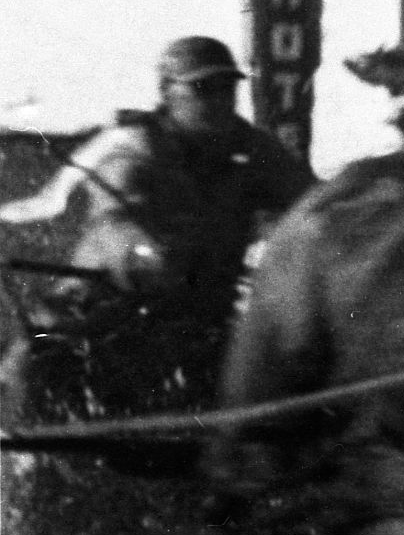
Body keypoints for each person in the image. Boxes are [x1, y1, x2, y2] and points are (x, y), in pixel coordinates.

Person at [0, 37, 315, 416]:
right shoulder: (137, 147)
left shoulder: (250, 147)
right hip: (109, 310)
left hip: (203, 319)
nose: (218, 100)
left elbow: (316, 203)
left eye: (227, 87)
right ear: (167, 93)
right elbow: (116, 219)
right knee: (38, 367)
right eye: (202, 88)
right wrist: (142, 252)